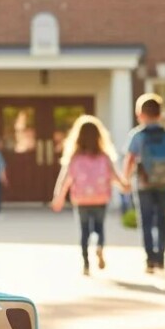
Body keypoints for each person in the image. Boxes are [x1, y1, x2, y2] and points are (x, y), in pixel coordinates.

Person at [51, 115, 128, 275]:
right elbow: (114, 176)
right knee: (99, 227)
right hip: (101, 198)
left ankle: (86, 264)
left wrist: (58, 197)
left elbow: (65, 179)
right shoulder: (104, 157)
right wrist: (124, 185)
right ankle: (99, 246)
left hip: (81, 199)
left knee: (84, 231)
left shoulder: (74, 158)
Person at [123, 93, 165, 272]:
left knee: (146, 221)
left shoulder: (137, 135)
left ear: (140, 114)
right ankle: (161, 258)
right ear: (160, 114)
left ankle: (150, 259)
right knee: (162, 220)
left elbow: (129, 159)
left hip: (144, 184)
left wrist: (125, 180)